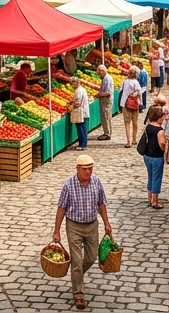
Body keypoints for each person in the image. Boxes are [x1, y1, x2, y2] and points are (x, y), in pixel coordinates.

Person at [51, 154, 113, 310]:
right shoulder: (68, 185)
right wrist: (56, 230)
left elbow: (101, 203)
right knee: (77, 261)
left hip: (92, 225)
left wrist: (107, 223)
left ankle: (75, 275)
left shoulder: (96, 182)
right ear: (77, 168)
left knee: (92, 257)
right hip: (74, 226)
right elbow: (61, 207)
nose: (88, 172)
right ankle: (79, 295)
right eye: (85, 169)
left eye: (90, 169)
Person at [138, 106, 167, 209]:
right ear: (159, 117)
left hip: (147, 155)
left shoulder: (148, 126)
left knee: (150, 176)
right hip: (157, 157)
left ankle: (149, 198)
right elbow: (161, 144)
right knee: (157, 178)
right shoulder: (160, 130)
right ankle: (155, 201)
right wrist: (166, 145)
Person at [118, 67, 142, 148]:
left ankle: (128, 141)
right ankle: (134, 139)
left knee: (127, 123)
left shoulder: (124, 82)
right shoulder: (136, 82)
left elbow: (120, 90)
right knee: (135, 123)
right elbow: (140, 92)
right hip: (135, 104)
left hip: (126, 104)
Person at [68, 75, 90, 150]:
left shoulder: (78, 91)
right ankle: (83, 143)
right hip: (83, 110)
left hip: (80, 111)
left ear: (76, 83)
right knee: (83, 128)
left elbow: (78, 103)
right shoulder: (81, 89)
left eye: (72, 83)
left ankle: (82, 144)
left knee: (80, 128)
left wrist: (70, 104)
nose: (72, 85)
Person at [94, 67, 114, 141]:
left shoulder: (107, 79)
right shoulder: (105, 78)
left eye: (99, 73)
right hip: (105, 99)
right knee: (107, 116)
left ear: (103, 71)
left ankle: (107, 133)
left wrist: (99, 95)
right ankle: (108, 131)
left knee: (105, 115)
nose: (99, 74)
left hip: (106, 100)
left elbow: (108, 93)